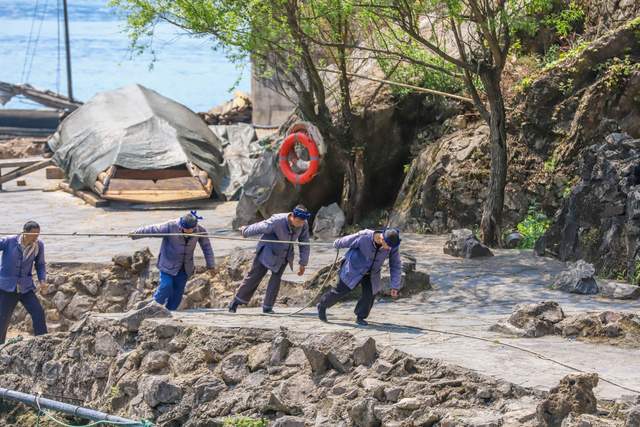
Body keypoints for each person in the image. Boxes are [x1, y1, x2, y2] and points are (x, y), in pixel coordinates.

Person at [229, 205, 311, 314]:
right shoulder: (277, 221)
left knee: (275, 280)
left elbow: (304, 243)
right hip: (267, 251)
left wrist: (303, 263)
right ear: (293, 217)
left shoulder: (303, 224)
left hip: (284, 254)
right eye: (299, 221)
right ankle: (235, 302)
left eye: (303, 221)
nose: (301, 224)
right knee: (254, 276)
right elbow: (261, 226)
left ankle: (267, 307)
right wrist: (245, 231)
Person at [130, 211, 215, 311]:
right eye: (186, 229)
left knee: (178, 292)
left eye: (191, 229)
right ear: (181, 226)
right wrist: (135, 234)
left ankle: (170, 311)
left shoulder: (200, 231)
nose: (188, 231)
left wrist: (211, 265)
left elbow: (207, 248)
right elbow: (152, 229)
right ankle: (152, 309)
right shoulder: (170, 226)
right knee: (166, 286)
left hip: (185, 267)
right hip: (168, 263)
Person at [317, 228, 402, 326]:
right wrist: (337, 243)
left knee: (370, 294)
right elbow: (347, 240)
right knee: (339, 291)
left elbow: (395, 264)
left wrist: (395, 285)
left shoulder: (392, 245)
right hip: (353, 269)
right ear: (382, 239)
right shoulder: (364, 237)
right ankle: (322, 305)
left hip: (372, 273)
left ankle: (360, 316)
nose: (389, 249)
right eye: (388, 246)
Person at [0, 221, 48, 344]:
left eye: (38, 234)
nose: (36, 237)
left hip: (25, 287)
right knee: (2, 318)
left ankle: (42, 343)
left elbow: (40, 265)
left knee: (38, 312)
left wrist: (42, 280)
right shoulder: (9, 241)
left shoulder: (38, 245)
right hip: (7, 287)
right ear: (24, 232)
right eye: (33, 234)